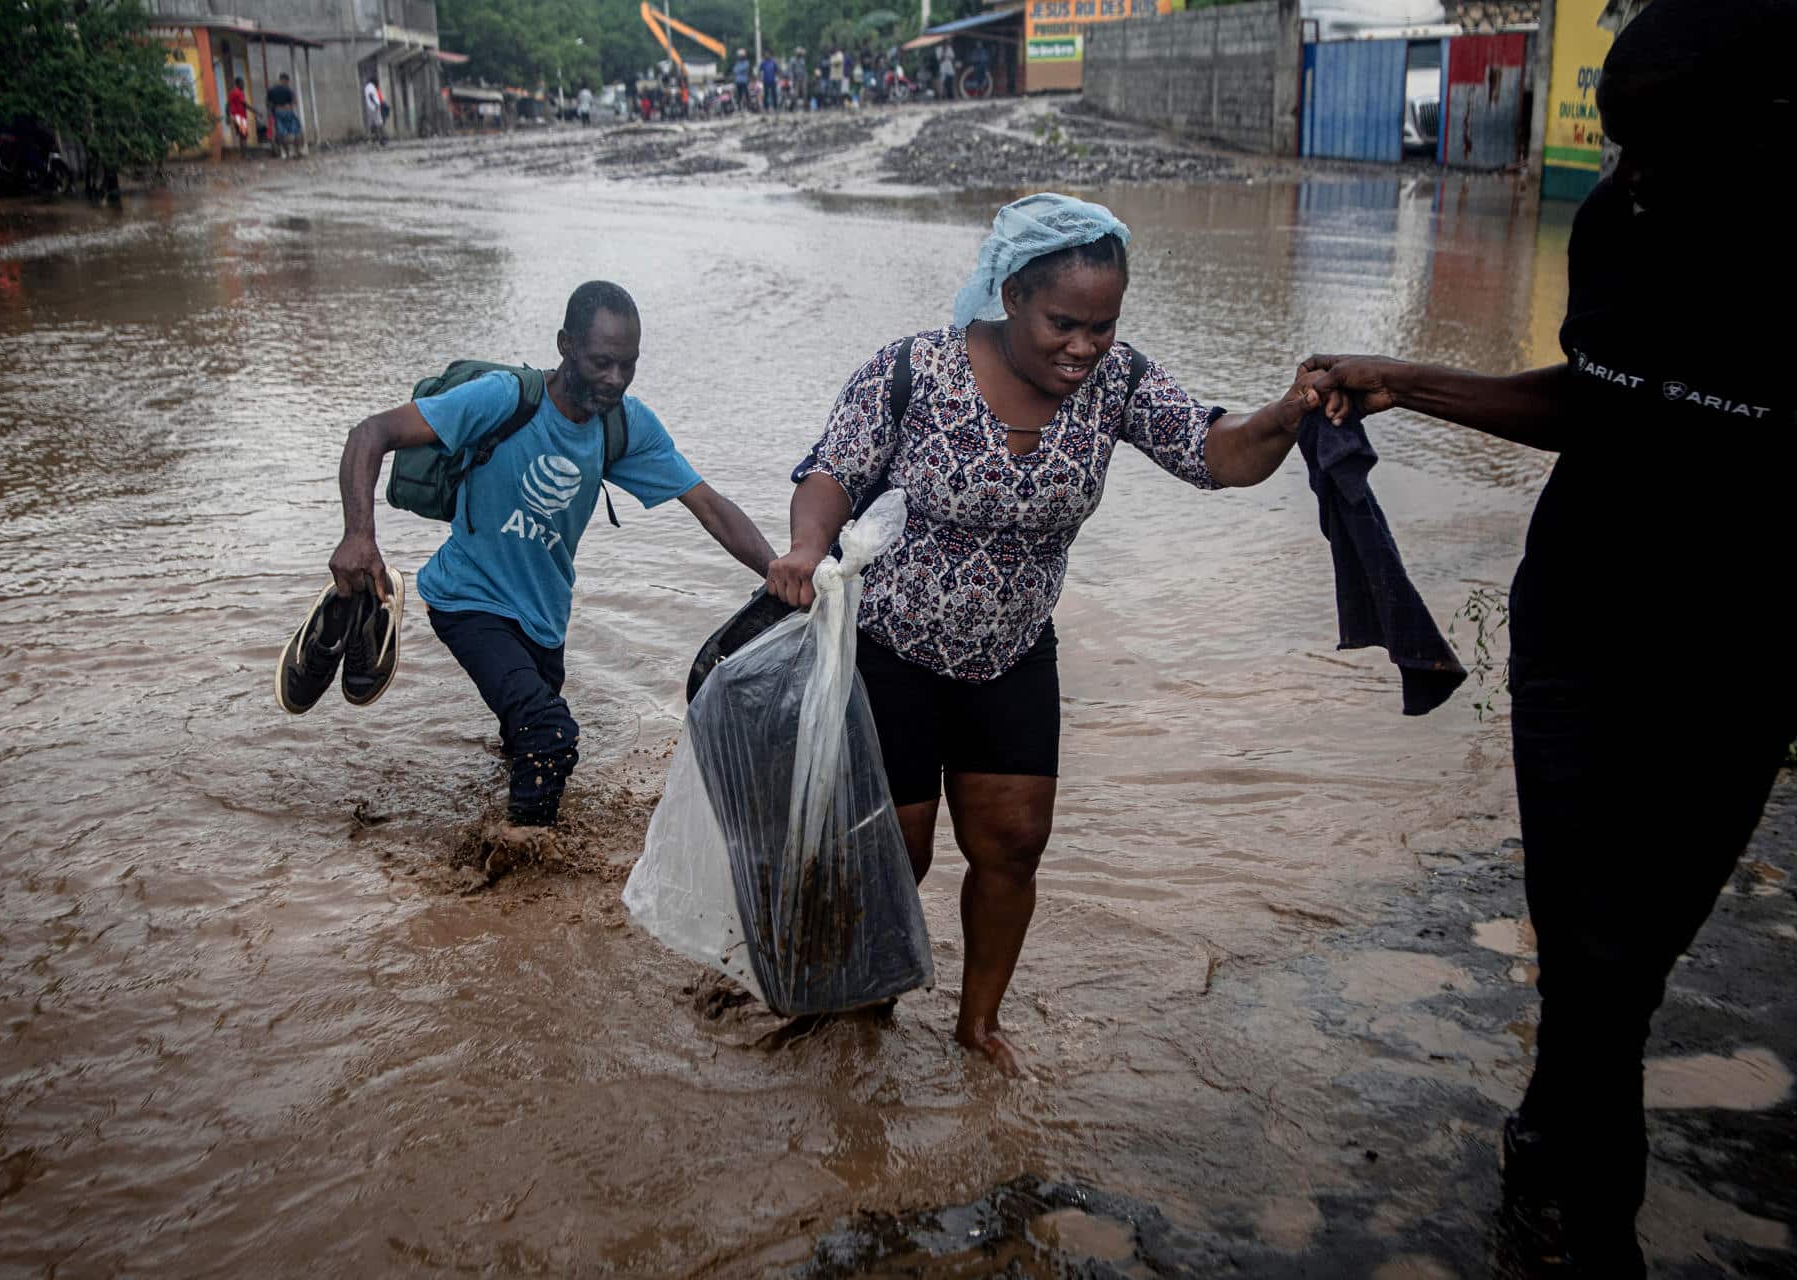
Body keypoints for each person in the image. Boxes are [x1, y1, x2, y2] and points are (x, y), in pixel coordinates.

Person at [1295, 2, 1794, 1270]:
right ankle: (1593, 1228)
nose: (1630, 176)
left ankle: (1545, 1136)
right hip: (1578, 621)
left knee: (1628, 965)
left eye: (1659, 151)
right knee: (1591, 945)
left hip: (1741, 655)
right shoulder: (1615, 223)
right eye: (1620, 146)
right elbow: (1600, 400)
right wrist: (1409, 379)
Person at [768, 195, 1310, 1073]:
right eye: (1065, 322)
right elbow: (834, 469)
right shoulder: (915, 369)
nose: (1084, 347)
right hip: (891, 652)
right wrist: (804, 546)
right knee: (892, 853)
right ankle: (864, 1009)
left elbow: (1219, 455)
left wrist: (1284, 415)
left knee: (1013, 844)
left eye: (1103, 326)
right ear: (1011, 294)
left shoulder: (1118, 384)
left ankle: (977, 1025)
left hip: (1014, 654)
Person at [327, 282, 776, 872]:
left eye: (629, 365)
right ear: (565, 345)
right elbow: (371, 434)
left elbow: (709, 505)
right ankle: (511, 892)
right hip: (469, 600)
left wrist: (782, 572)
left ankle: (498, 838)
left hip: (543, 621)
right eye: (601, 362)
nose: (616, 378)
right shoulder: (503, 399)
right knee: (551, 735)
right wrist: (359, 534)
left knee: (523, 748)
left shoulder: (624, 426)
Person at [265, 72, 302, 159]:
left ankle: (287, 154)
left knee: (282, 134)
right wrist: (289, 105)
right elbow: (294, 101)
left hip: (278, 112)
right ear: (285, 80)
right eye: (288, 81)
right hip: (288, 111)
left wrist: (270, 113)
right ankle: (297, 152)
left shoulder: (272, 90)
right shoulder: (288, 90)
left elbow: (268, 103)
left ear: (280, 79)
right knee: (296, 131)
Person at [226, 77, 252, 153]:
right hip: (240, 117)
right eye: (242, 83)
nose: (243, 85)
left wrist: (227, 116)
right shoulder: (239, 93)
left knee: (241, 135)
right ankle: (246, 154)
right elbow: (245, 104)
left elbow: (227, 105)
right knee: (244, 136)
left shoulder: (232, 93)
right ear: (238, 84)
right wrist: (256, 111)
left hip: (235, 116)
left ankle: (243, 154)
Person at [364, 77, 385, 144]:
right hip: (374, 107)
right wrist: (376, 104)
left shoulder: (367, 87)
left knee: (373, 125)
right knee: (379, 124)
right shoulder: (371, 87)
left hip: (371, 107)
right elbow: (371, 96)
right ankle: (381, 140)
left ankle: (373, 140)